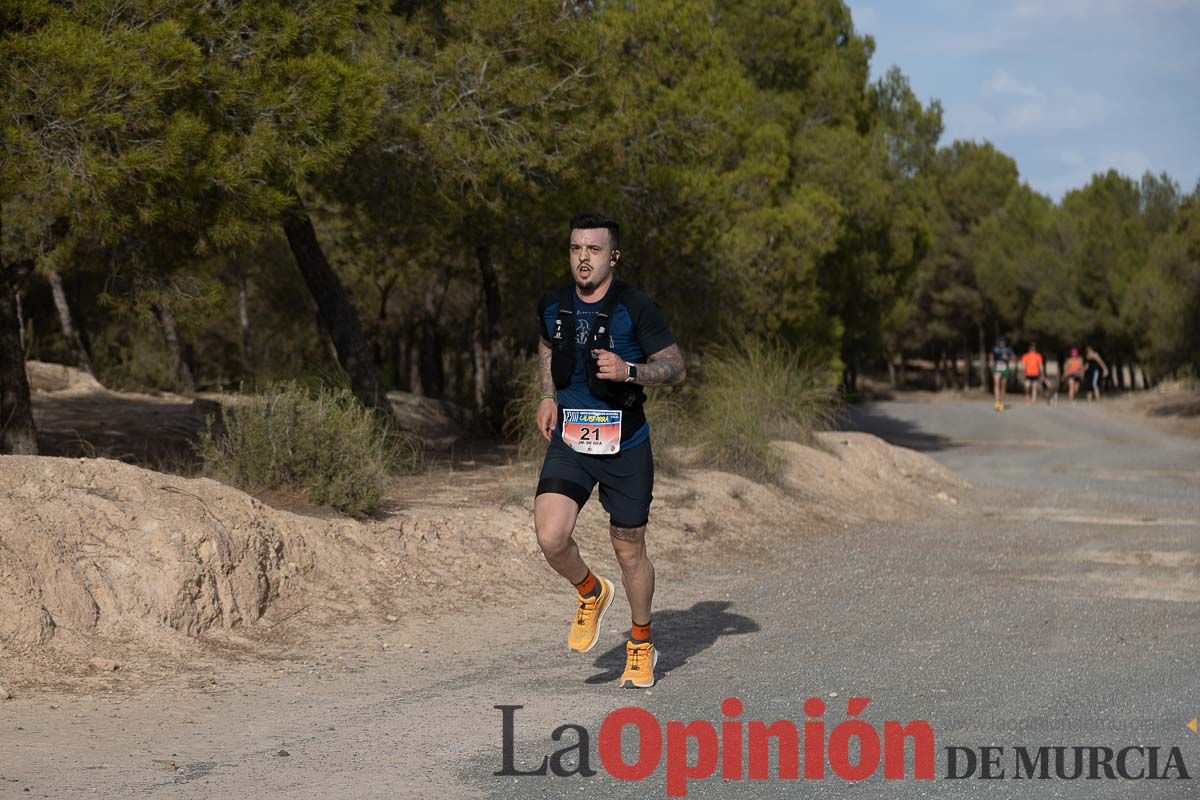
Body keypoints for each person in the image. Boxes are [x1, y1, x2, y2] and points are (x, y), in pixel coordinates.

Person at [533, 212, 686, 689]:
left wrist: (629, 371)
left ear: (613, 256)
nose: (583, 257)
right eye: (577, 248)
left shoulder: (636, 307)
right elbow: (544, 342)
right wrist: (546, 395)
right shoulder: (554, 304)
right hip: (572, 439)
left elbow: (676, 368)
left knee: (629, 550)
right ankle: (591, 592)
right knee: (551, 537)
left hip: (626, 445)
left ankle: (640, 642)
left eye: (594, 250)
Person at [988, 336, 1015, 411]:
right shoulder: (995, 349)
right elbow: (991, 355)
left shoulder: (1008, 350)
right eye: (1000, 342)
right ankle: (997, 402)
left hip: (1005, 368)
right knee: (996, 384)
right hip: (996, 368)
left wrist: (1007, 358)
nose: (1002, 344)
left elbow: (1013, 358)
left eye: (1003, 342)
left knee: (1003, 386)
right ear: (998, 343)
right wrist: (991, 361)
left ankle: (1001, 402)